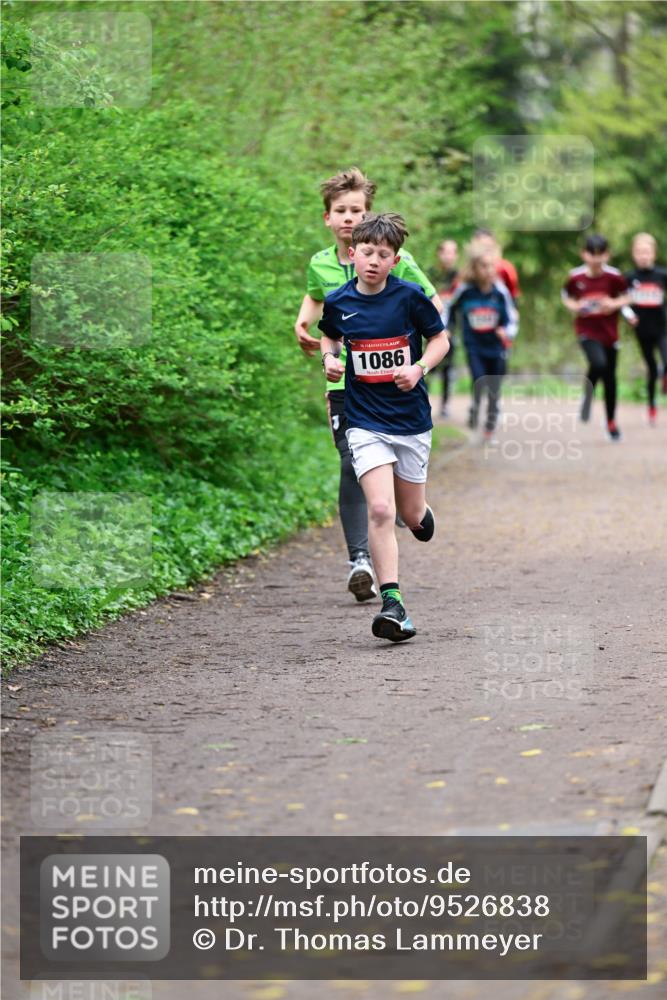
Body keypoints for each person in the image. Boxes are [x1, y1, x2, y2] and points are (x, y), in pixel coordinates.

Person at [294, 167, 441, 603]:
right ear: (328, 218)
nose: (348, 218)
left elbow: (434, 315)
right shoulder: (322, 264)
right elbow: (318, 312)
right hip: (347, 390)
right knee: (351, 466)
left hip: (399, 392)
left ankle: (411, 513)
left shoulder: (399, 263)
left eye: (355, 210)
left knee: (403, 505)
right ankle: (361, 560)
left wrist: (417, 362)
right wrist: (313, 340)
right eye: (340, 211)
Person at [318, 213, 450, 642]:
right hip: (365, 420)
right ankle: (393, 604)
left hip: (410, 420)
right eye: (367, 253)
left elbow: (441, 340)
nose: (374, 261)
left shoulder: (410, 297)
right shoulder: (338, 301)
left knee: (410, 515)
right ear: (353, 254)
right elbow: (329, 337)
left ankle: (420, 513)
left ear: (395, 260)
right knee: (380, 509)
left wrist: (418, 368)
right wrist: (329, 359)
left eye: (384, 255)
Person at [443, 245, 517, 441]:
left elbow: (511, 319)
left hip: (496, 347)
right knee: (478, 380)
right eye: (484, 266)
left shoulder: (500, 292)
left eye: (492, 266)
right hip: (474, 346)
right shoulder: (465, 291)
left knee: (494, 388)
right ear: (474, 268)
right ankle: (476, 407)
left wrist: (506, 332)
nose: (489, 270)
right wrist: (447, 329)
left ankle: (489, 429)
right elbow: (450, 309)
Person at [562, 234, 631, 441]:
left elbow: (628, 296)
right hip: (587, 331)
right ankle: (588, 395)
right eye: (592, 255)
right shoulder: (575, 277)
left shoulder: (615, 277)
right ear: (584, 254)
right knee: (598, 364)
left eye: (600, 255)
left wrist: (613, 304)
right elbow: (566, 297)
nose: (596, 260)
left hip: (609, 333)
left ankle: (611, 422)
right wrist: (576, 307)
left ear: (607, 255)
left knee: (610, 379)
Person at [622, 233, 667, 426]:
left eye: (647, 252)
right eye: (640, 252)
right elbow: (621, 302)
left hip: (663, 327)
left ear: (654, 254)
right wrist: (630, 316)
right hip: (642, 331)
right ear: (634, 254)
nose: (643, 256)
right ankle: (651, 406)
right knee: (651, 369)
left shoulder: (662, 275)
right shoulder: (630, 277)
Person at [430, 239, 459, 417]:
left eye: (452, 253)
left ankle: (445, 405)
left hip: (450, 331)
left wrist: (451, 330)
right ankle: (422, 401)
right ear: (439, 254)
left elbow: (459, 309)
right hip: (431, 330)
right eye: (445, 252)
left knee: (448, 369)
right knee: (428, 366)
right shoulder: (431, 275)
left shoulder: (459, 277)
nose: (448, 257)